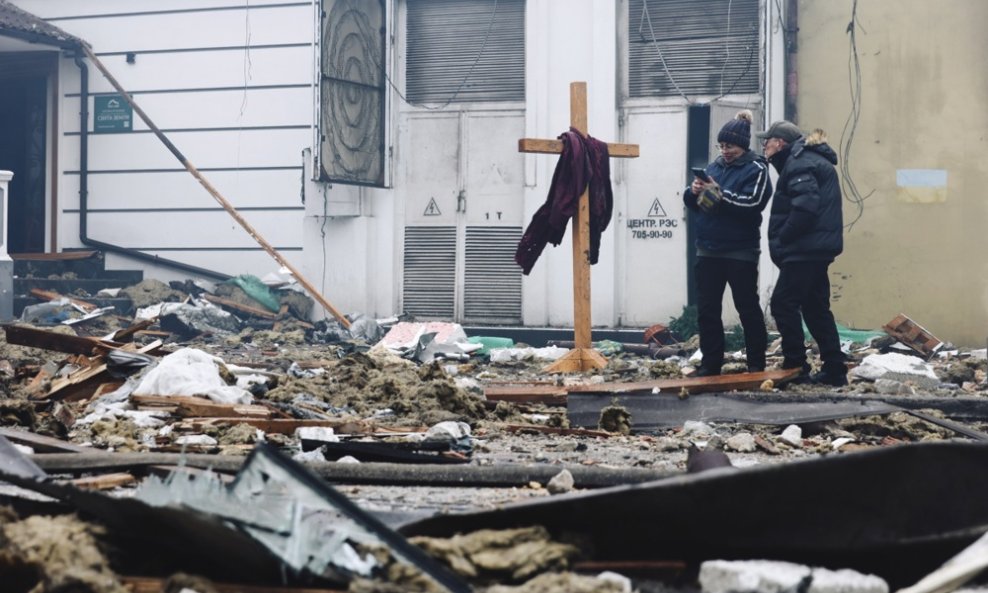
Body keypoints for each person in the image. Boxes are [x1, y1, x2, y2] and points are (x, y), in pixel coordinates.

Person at [756, 120, 848, 386]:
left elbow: (806, 206)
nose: (764, 145)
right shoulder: (807, 161)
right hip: (815, 248)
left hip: (805, 249)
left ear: (781, 143)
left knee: (783, 304)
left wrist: (784, 236)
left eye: (768, 140)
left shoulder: (800, 163)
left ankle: (795, 366)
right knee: (816, 308)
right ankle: (834, 368)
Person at [683, 110, 772, 376]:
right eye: (721, 146)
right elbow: (697, 205)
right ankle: (711, 364)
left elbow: (752, 204)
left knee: (748, 309)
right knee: (708, 310)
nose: (725, 151)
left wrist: (718, 194)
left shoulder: (757, 169)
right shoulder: (713, 168)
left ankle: (756, 363)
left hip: (740, 252)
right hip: (707, 249)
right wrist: (694, 192)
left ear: (743, 146)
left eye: (730, 146)